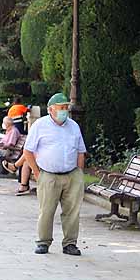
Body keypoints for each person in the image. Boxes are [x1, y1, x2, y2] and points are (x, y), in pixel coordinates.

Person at [23, 92, 86, 255]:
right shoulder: (40, 125)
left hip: (72, 174)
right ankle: (43, 242)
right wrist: (37, 173)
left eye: (66, 107)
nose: (64, 110)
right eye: (61, 108)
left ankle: (70, 243)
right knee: (47, 210)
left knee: (72, 211)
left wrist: (79, 173)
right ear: (51, 109)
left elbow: (80, 151)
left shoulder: (73, 126)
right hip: (48, 174)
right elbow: (28, 151)